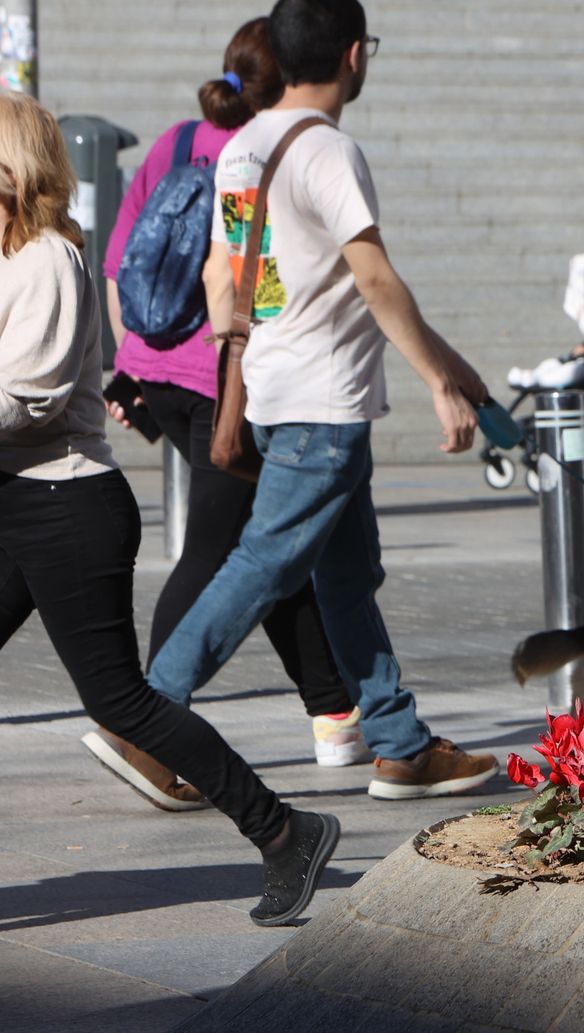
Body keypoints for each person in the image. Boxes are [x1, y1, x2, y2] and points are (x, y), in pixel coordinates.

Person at [129, 0, 498, 802]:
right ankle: (148, 718)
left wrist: (448, 358)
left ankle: (398, 740)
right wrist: (438, 384)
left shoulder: (242, 150)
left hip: (276, 385)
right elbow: (371, 275)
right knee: (265, 562)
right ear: (355, 56)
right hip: (325, 402)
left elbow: (240, 283)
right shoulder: (330, 151)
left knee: (345, 574)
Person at [0, 89, 338, 926]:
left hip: (68, 505)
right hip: (19, 500)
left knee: (120, 701)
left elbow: (28, 400)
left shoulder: (46, 258)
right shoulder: (9, 257)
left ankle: (285, 829)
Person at [91, 16, 369, 784]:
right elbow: (259, 288)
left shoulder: (178, 141)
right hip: (229, 380)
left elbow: (121, 261)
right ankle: (148, 727)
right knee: (232, 551)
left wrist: (130, 367)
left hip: (156, 374)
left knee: (273, 546)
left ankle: (338, 711)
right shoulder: (270, 151)